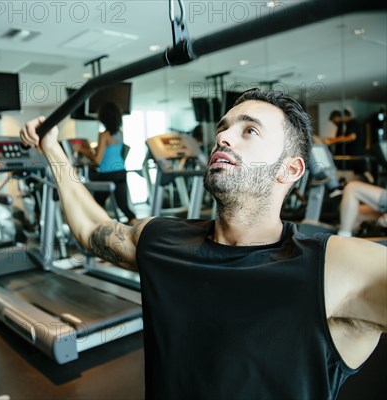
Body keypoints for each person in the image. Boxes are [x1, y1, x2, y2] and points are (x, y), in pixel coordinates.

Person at [20, 89, 386, 399]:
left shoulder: (333, 265)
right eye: (224, 128)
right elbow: (92, 229)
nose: (223, 137)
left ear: (289, 170)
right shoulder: (162, 240)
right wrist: (53, 150)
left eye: (250, 131)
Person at [78, 102, 137, 225]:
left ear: (103, 118)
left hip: (107, 174)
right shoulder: (120, 133)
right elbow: (113, 153)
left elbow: (97, 160)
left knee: (97, 205)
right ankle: (137, 226)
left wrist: (83, 151)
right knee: (124, 206)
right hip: (120, 172)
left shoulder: (103, 135)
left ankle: (97, 228)